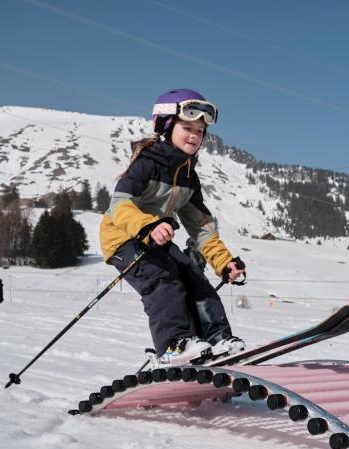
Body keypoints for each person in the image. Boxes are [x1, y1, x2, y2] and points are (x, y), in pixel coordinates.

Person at [99, 88, 246, 368]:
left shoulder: (188, 177)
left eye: (200, 131)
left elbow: (201, 227)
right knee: (163, 281)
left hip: (158, 240)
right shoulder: (147, 164)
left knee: (195, 278)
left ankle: (217, 339)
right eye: (187, 128)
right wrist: (147, 226)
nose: (195, 135)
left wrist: (224, 262)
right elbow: (119, 205)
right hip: (123, 238)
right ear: (167, 126)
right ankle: (173, 346)